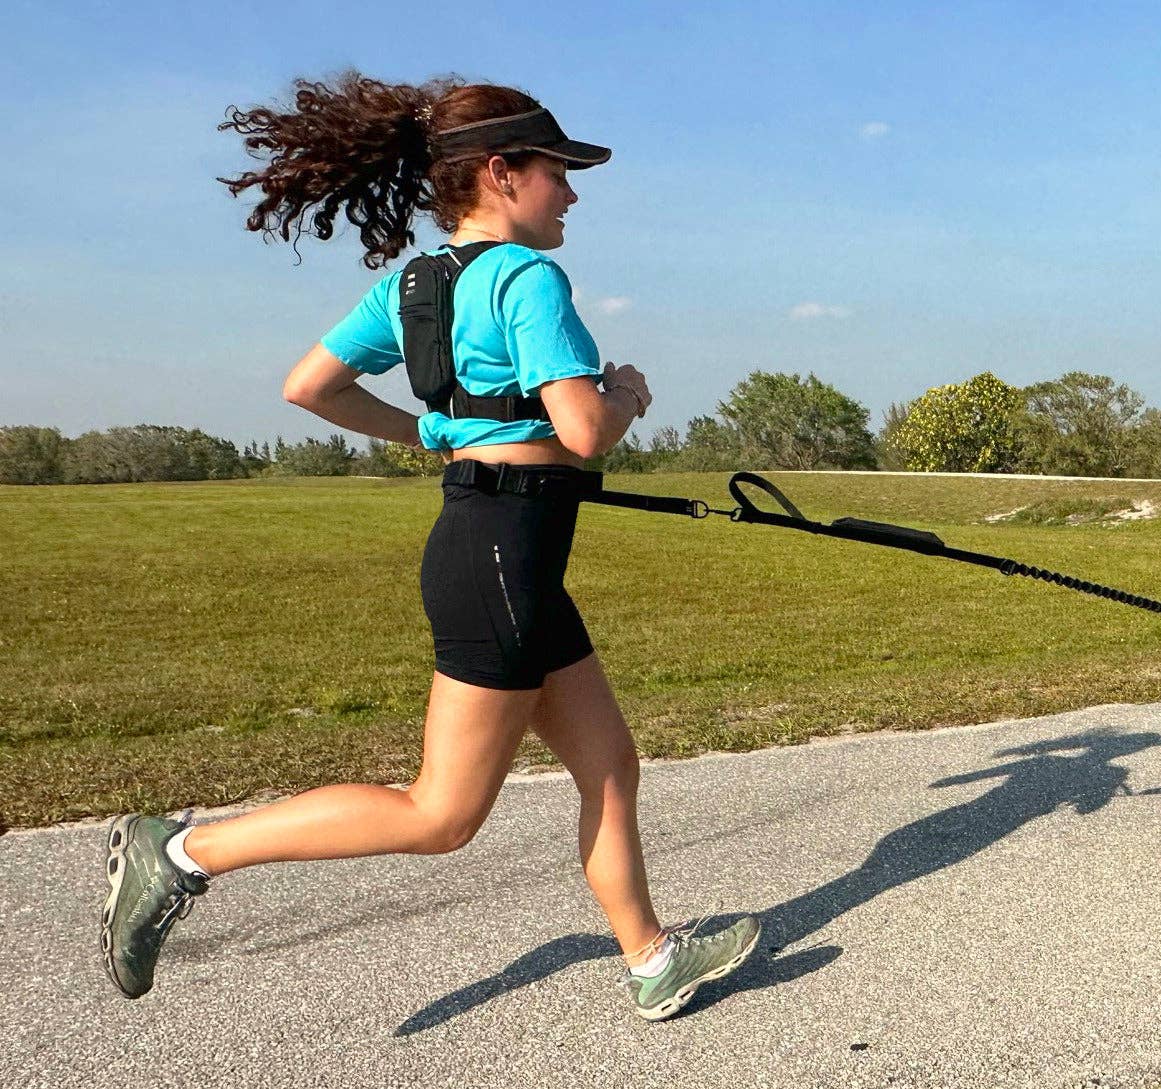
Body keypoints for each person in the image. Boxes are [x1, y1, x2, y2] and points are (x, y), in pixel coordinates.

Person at [98, 72, 759, 1022]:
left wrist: (431, 434)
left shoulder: (415, 283)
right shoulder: (529, 277)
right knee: (440, 814)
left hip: (497, 549)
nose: (571, 192)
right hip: (502, 564)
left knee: (610, 762)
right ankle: (181, 852)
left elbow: (308, 386)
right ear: (501, 173)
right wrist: (626, 390)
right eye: (557, 172)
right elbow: (582, 432)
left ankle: (651, 957)